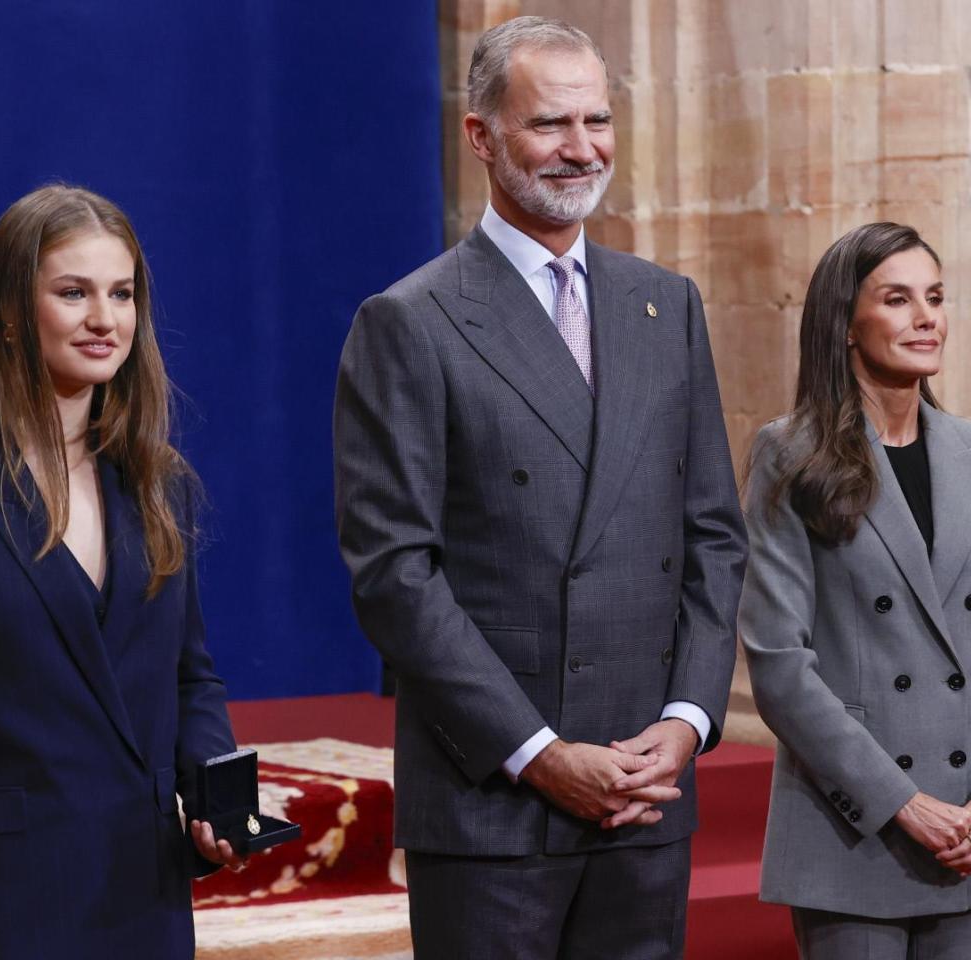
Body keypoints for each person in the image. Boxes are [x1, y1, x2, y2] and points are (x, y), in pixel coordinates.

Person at [332, 15, 746, 959]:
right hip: (494, 806)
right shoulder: (411, 321)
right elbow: (394, 575)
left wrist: (685, 721)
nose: (581, 148)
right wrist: (540, 754)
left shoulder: (665, 305)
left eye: (597, 120)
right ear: (480, 135)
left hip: (647, 798)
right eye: (550, 124)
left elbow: (714, 536)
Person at [0, 184, 243, 959]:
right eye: (73, 292)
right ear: (9, 311)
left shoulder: (157, 482)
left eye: (122, 294)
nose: (105, 319)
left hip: (142, 908)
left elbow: (192, 679)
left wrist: (217, 798)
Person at [738, 222, 971, 958]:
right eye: (899, 299)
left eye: (935, 298)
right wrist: (901, 803)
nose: (926, 317)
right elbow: (780, 665)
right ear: (846, 323)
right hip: (857, 834)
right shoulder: (791, 454)